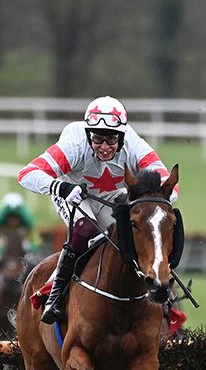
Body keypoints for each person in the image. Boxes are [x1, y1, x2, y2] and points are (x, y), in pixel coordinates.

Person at [18, 96, 179, 325]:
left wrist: (153, 201)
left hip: (111, 197)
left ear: (122, 136)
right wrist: (62, 188)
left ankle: (162, 295)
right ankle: (55, 295)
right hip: (73, 194)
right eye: (97, 139)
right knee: (85, 231)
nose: (104, 147)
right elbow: (27, 174)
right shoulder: (74, 144)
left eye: (111, 139)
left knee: (136, 232)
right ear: (88, 135)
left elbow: (168, 184)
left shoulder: (134, 144)